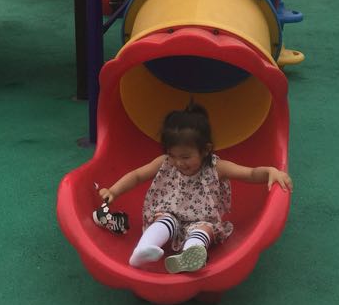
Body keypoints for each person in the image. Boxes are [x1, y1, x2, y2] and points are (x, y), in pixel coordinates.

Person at [95, 104, 293, 274]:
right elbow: (137, 175)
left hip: (201, 220)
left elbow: (249, 173)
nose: (178, 162)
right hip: (170, 213)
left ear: (205, 150)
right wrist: (113, 191)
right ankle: (143, 248)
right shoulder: (166, 162)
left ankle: (190, 255)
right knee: (164, 220)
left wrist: (270, 171)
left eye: (186, 157)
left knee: (204, 230)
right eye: (173, 155)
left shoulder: (217, 167)